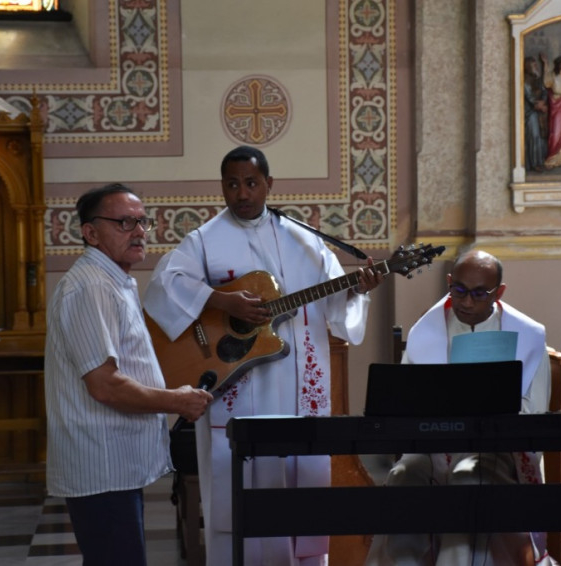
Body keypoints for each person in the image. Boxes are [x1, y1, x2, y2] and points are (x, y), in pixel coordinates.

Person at [143, 145, 383, 566]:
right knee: (239, 492)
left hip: (297, 391)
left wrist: (356, 291)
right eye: (232, 184)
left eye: (251, 183)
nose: (242, 193)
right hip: (236, 382)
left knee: (301, 486)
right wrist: (221, 301)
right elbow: (165, 285)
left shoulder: (305, 241)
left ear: (269, 184)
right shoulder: (205, 241)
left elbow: (335, 307)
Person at [44, 183, 213, 565]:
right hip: (102, 466)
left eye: (141, 222)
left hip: (115, 464)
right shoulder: (90, 287)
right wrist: (176, 401)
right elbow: (104, 385)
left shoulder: (112, 281)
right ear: (91, 233)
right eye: (124, 222)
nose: (138, 231)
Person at [365, 249, 554, 566]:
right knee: (403, 475)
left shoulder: (528, 336)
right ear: (449, 282)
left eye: (479, 293)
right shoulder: (426, 331)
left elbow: (533, 413)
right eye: (459, 290)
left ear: (499, 292)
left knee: (468, 477)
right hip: (432, 445)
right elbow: (406, 401)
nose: (466, 302)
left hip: (495, 449)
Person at [524, 56, 548, 173]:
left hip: (538, 112)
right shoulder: (525, 82)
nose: (536, 67)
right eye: (534, 65)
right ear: (528, 67)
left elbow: (544, 90)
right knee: (534, 136)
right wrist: (540, 106)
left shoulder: (536, 79)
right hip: (529, 114)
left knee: (541, 137)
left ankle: (540, 161)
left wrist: (543, 101)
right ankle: (534, 163)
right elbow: (530, 98)